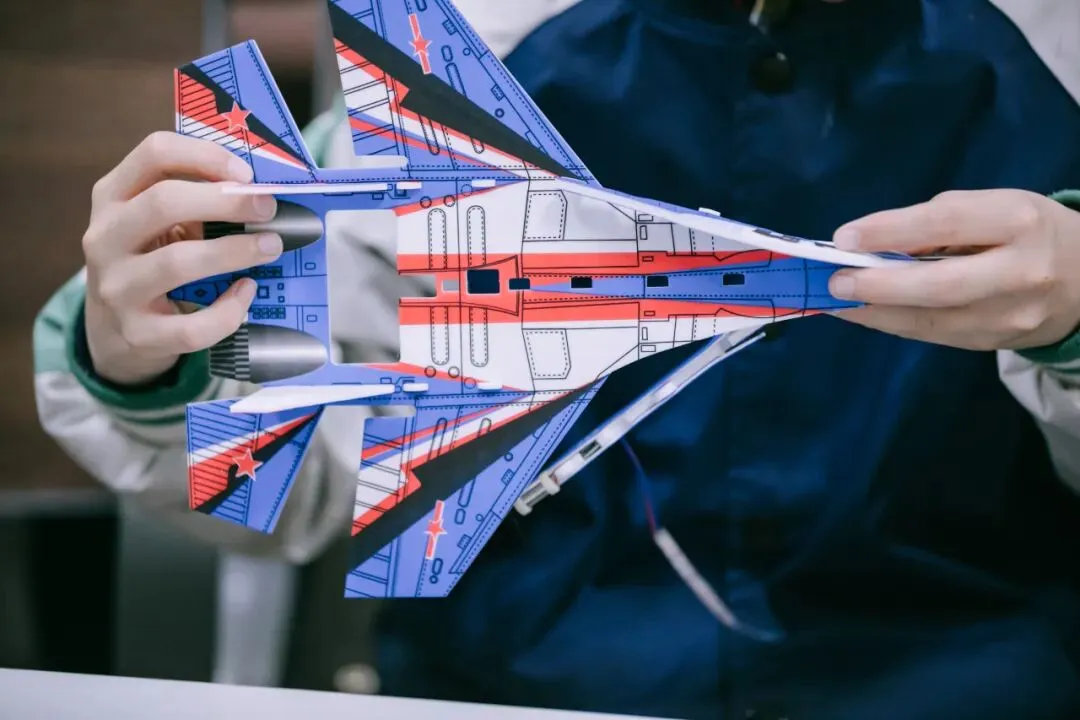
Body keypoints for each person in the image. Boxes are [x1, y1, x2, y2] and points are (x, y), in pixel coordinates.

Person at [33, 0, 1080, 717]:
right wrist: (149, 363)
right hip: (524, 684)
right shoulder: (461, 66)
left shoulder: (1044, 67)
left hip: (971, 678)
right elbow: (301, 479)